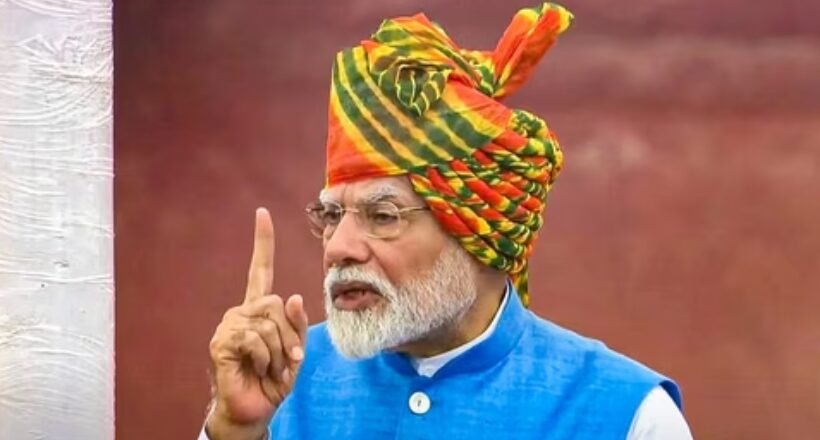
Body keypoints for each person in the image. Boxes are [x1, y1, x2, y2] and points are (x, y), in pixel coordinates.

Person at [199, 3, 693, 439]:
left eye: (383, 215)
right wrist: (234, 432)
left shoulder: (627, 417)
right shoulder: (280, 385)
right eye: (331, 214)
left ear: (478, 233)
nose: (338, 247)